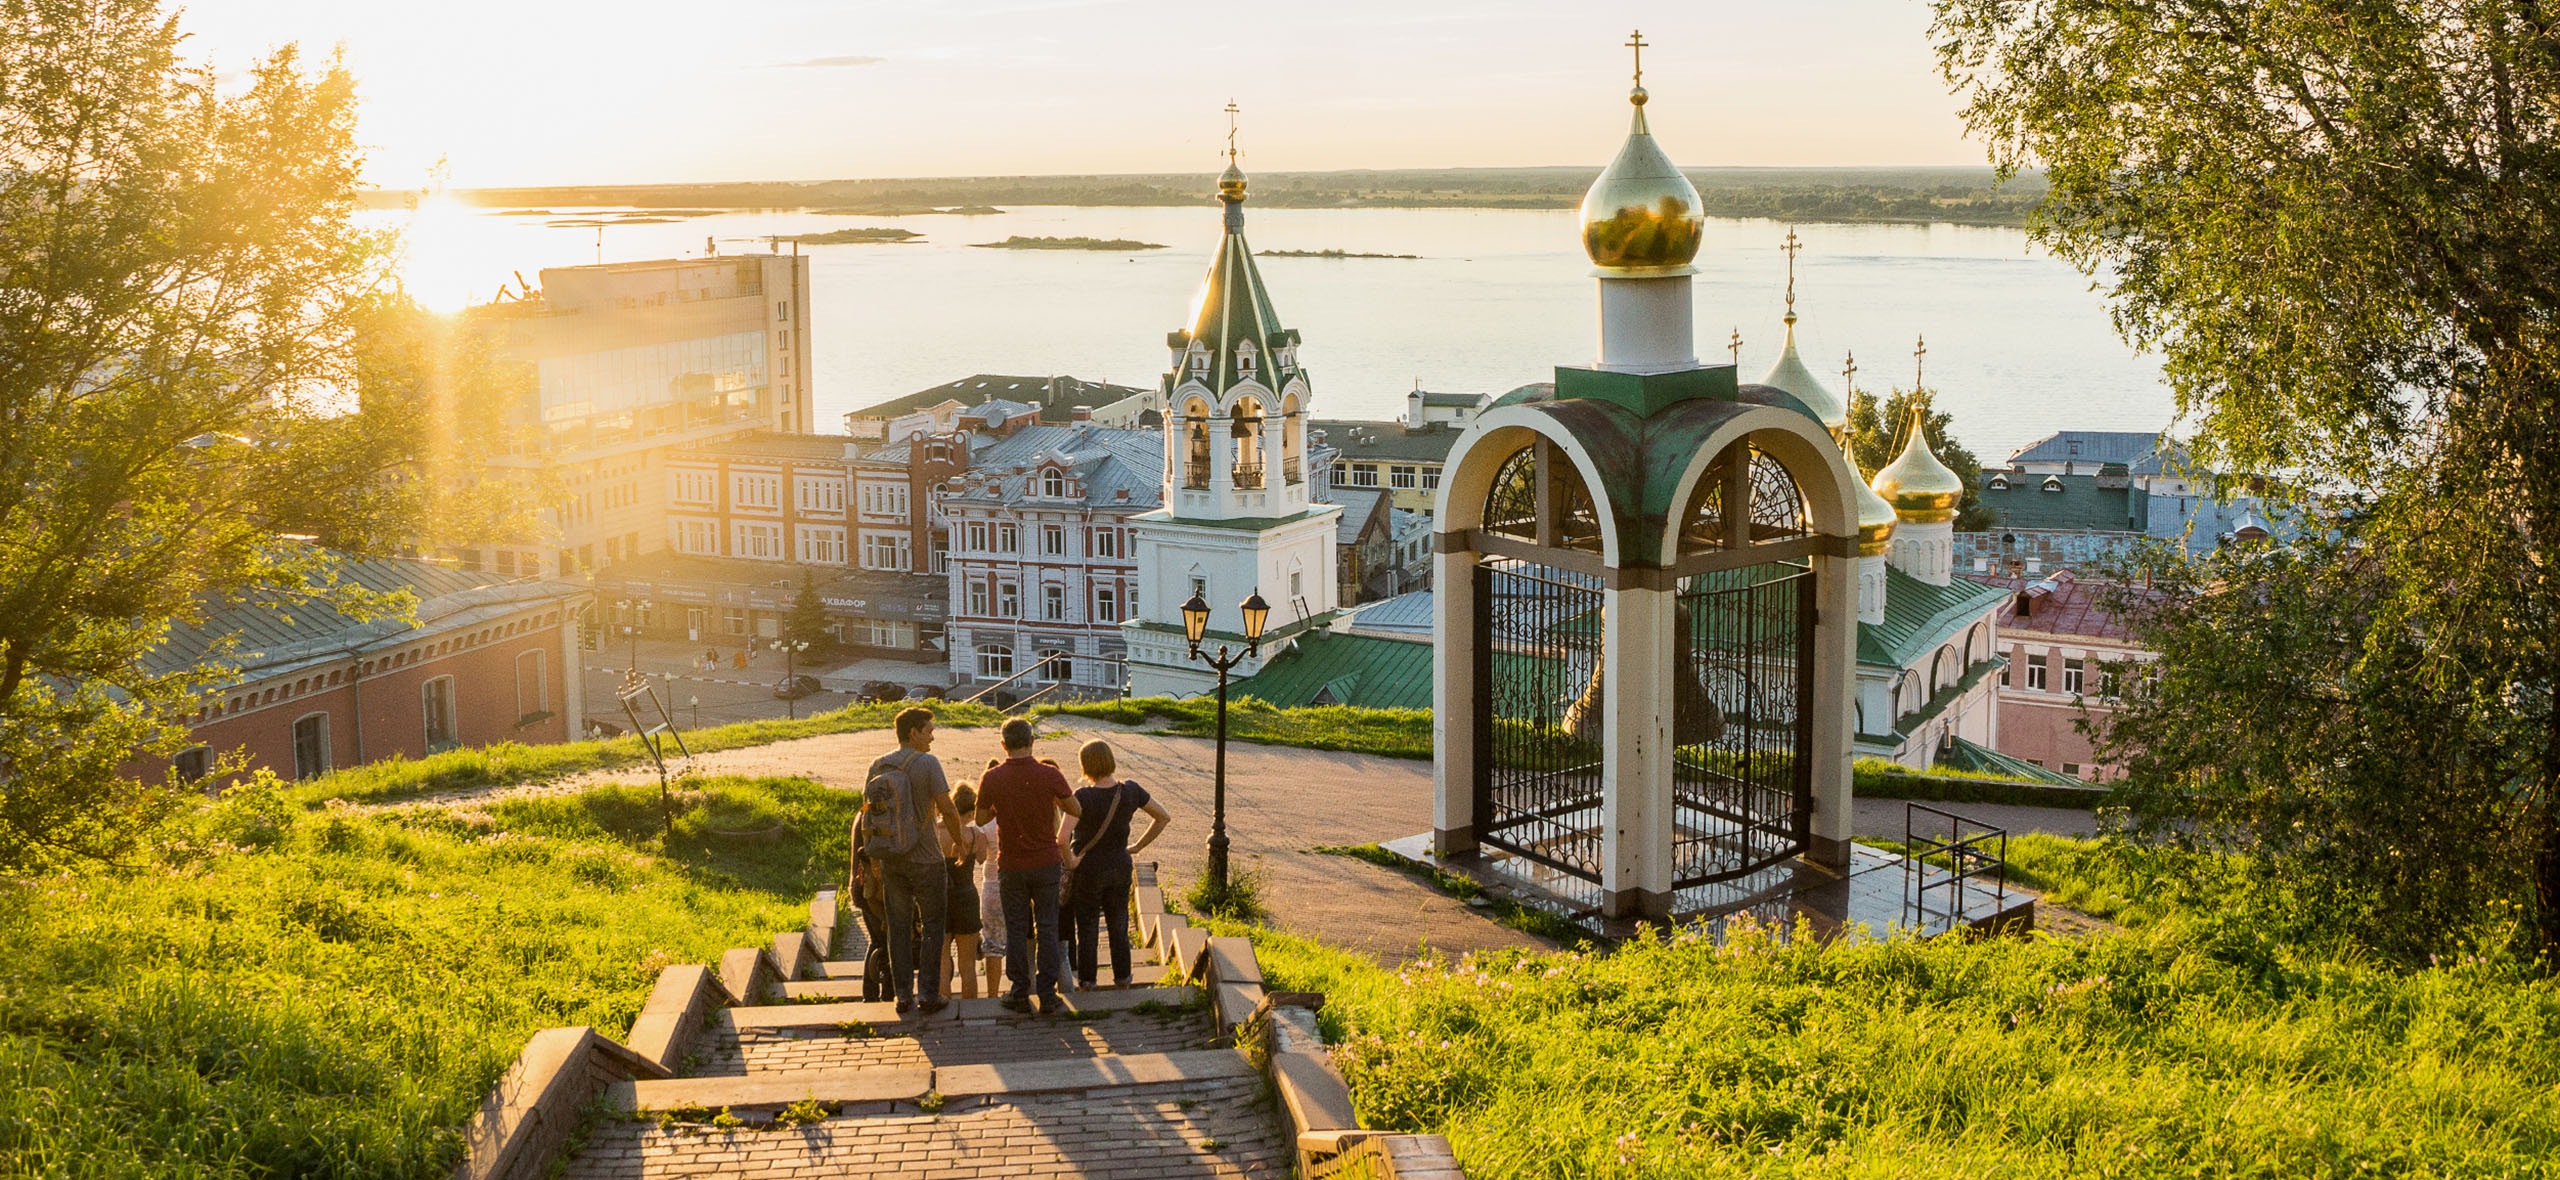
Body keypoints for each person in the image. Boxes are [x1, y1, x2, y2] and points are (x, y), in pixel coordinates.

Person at [972, 718, 1080, 1013]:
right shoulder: (1049, 774)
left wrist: (1001, 806)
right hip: (1046, 862)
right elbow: (1076, 809)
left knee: (1016, 928)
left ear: (1003, 744)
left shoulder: (992, 778)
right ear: (1033, 742)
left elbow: (980, 819)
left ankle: (1019, 990)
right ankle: (1047, 993)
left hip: (1010, 864)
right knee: (1047, 926)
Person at [867, 707, 969, 1015]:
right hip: (926, 859)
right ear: (913, 733)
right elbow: (948, 809)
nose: (932, 736)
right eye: (928, 730)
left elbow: (867, 815)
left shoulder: (878, 764)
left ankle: (902, 996)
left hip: (891, 860)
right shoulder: (928, 763)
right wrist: (961, 845)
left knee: (897, 927)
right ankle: (927, 994)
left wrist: (873, 858)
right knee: (933, 926)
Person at [1062, 739, 1171, 989]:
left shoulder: (1082, 797)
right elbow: (1163, 816)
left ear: (1085, 766)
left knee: (1087, 926)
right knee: (1118, 923)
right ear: (1110, 760)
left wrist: (1071, 861)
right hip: (1120, 865)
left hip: (1089, 868)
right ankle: (1123, 978)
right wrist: (1138, 847)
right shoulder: (1130, 790)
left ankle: (1088, 982)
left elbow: (1061, 838)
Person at [940, 784, 989, 999]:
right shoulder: (974, 834)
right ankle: (971, 1012)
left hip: (940, 898)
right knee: (967, 965)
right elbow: (982, 859)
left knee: (941, 964)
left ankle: (944, 1008)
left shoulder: (935, 831)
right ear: (970, 811)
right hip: (966, 897)